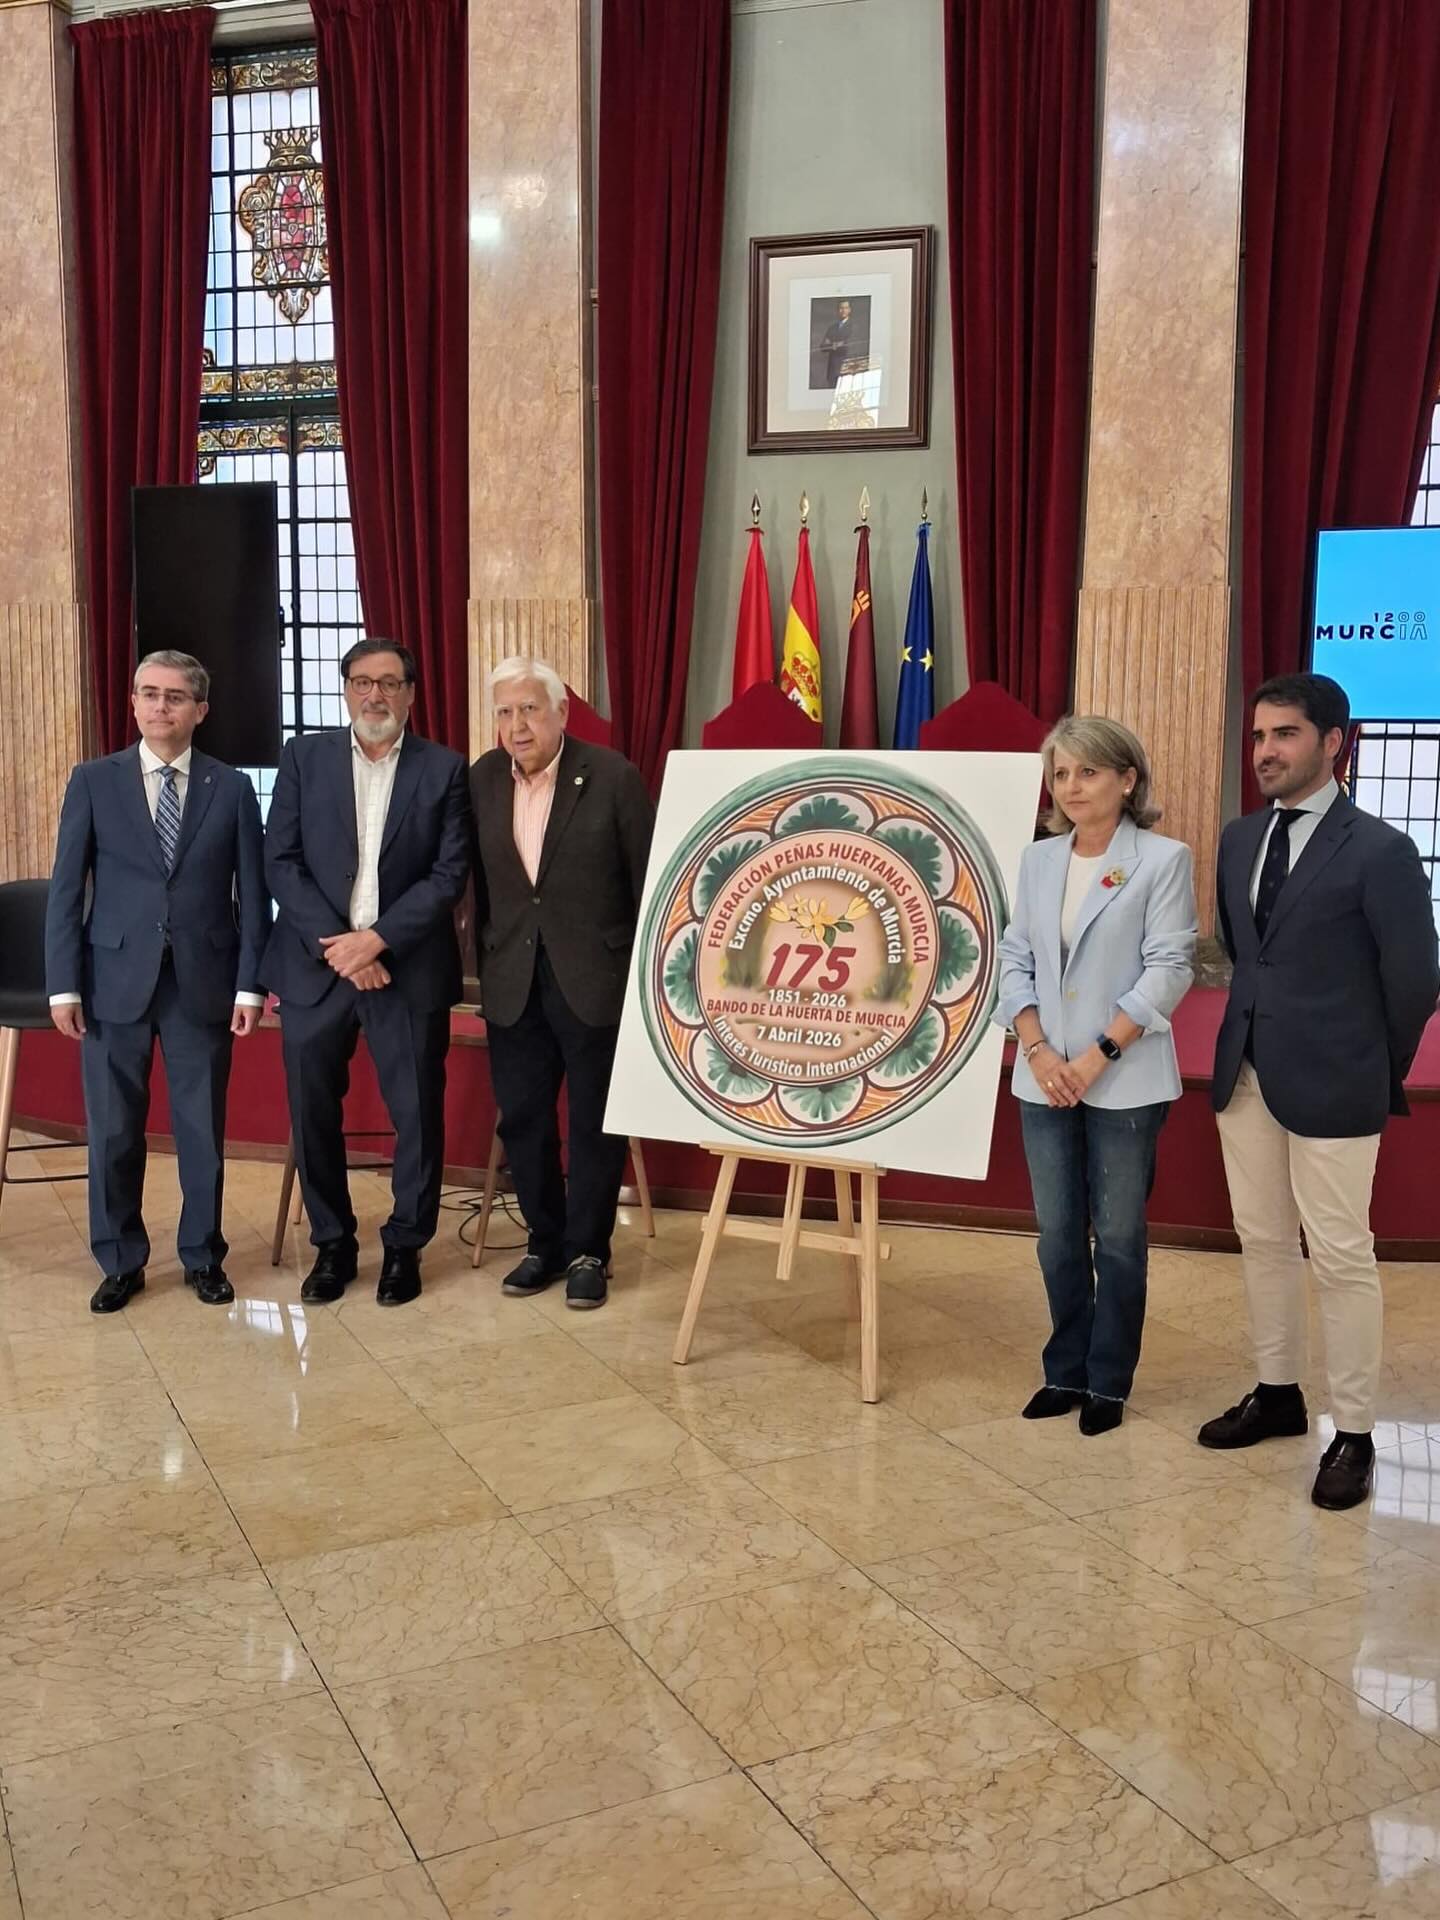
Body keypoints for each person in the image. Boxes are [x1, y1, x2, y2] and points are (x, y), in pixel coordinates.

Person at [1199, 672, 1439, 1509]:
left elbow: (1415, 981)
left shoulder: (1381, 850)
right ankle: (1277, 1395)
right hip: (1246, 1073)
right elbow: (1246, 953)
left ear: (1334, 742)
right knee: (1263, 1241)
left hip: (1339, 1081)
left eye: (1286, 734)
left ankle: (1356, 1432)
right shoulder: (1238, 839)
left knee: (1340, 1255)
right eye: (1259, 735)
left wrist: (1373, 1064)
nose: (1266, 751)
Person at [45, 650, 270, 1313]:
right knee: (113, 1131)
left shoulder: (232, 787)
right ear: (134, 704)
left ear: (200, 709)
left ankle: (203, 1256)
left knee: (201, 1129)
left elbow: (254, 897)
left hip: (204, 982)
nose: (160, 706)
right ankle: (120, 1261)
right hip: (111, 981)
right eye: (149, 693)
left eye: (174, 696)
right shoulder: (94, 781)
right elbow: (66, 890)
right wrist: (63, 986)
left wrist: (250, 987)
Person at [995, 716, 1196, 1434]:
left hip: (1124, 1077)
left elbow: (1170, 968)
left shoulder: (1162, 860)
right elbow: (1013, 957)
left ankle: (1108, 1381)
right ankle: (1065, 1370)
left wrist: (1094, 1056)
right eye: (1060, 773)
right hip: (1043, 1076)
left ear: (1127, 779)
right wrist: (1038, 1050)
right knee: (1056, 1233)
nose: (1072, 787)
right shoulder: (1039, 858)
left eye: (1088, 771)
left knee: (1116, 1236)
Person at [262, 639, 471, 1307]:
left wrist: (377, 942)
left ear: (410, 692)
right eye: (361, 681)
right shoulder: (303, 758)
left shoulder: (445, 769)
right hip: (316, 968)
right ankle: (333, 1243)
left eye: (388, 682)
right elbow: (280, 860)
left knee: (418, 1113)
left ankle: (406, 1245)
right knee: (311, 1110)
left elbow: (449, 874)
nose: (374, 695)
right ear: (346, 688)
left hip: (407, 970)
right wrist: (342, 949)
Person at [470, 656, 654, 1311]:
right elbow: (481, 885)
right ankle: (543, 1243)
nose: (517, 725)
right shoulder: (482, 779)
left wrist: (642, 980)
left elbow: (647, 882)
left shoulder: (612, 776)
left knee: (594, 1123)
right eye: (505, 712)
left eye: (529, 709)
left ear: (561, 713)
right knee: (524, 1119)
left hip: (594, 978)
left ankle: (588, 1252)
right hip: (512, 980)